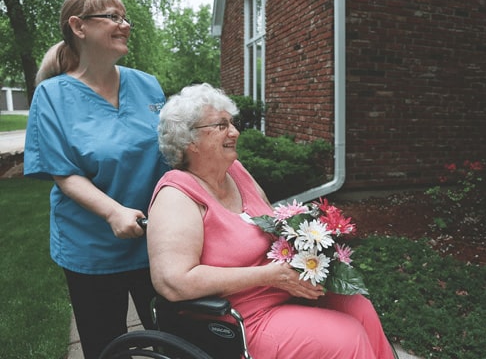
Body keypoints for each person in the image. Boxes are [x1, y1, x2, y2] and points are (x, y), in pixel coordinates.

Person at [146, 83, 396, 358]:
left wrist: (310, 246)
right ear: (190, 140)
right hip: (239, 319)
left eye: (232, 123)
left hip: (284, 291)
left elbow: (276, 227)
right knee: (347, 337)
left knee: (360, 309)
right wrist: (269, 275)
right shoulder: (177, 195)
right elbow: (174, 281)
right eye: (221, 125)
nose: (235, 132)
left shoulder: (236, 172)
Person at [23, 0, 170, 359]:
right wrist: (113, 211)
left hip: (159, 241)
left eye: (126, 18)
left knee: (176, 339)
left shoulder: (147, 84)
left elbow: (172, 151)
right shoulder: (52, 95)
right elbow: (64, 173)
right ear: (79, 26)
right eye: (113, 17)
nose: (124, 25)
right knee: (107, 347)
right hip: (91, 248)